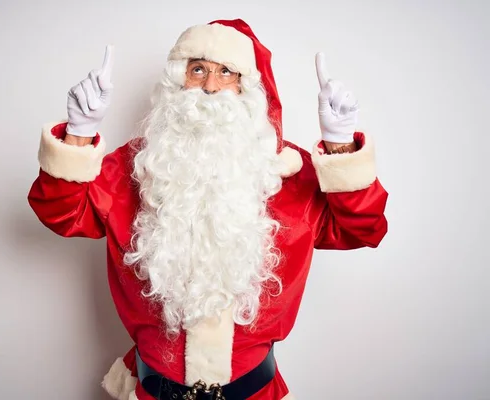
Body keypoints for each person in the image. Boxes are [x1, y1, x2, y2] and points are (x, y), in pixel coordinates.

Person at [28, 18, 388, 400]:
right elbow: (61, 213)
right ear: (177, 80)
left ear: (248, 88)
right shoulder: (135, 166)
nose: (211, 87)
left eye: (226, 72)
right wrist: (79, 132)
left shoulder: (289, 173)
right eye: (198, 69)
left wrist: (340, 146)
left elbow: (362, 229)